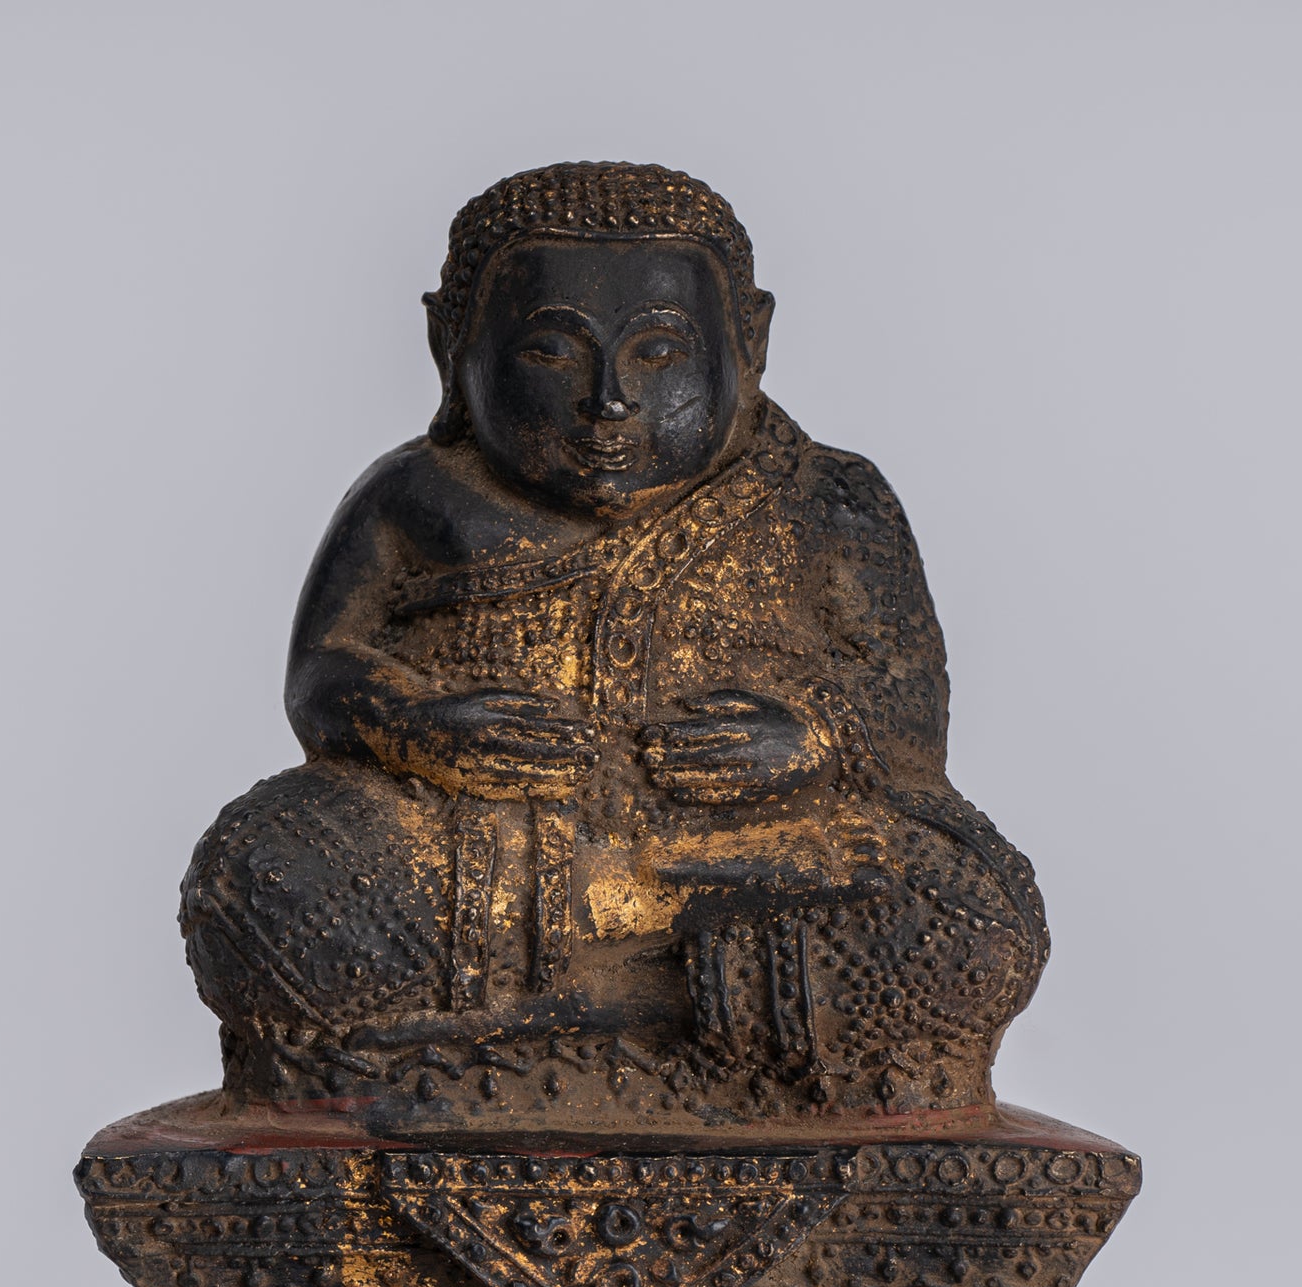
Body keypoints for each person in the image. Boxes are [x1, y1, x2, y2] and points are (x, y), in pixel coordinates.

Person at [180, 162, 1047, 1131]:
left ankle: (540, 1005)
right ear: (450, 347)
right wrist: (415, 725)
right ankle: (665, 994)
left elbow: (908, 712)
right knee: (257, 873)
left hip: (741, 858)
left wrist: (813, 740)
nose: (610, 401)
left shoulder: (827, 501)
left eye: (659, 352)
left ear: (750, 341)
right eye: (552, 353)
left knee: (975, 921)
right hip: (487, 850)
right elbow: (320, 676)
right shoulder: (415, 499)